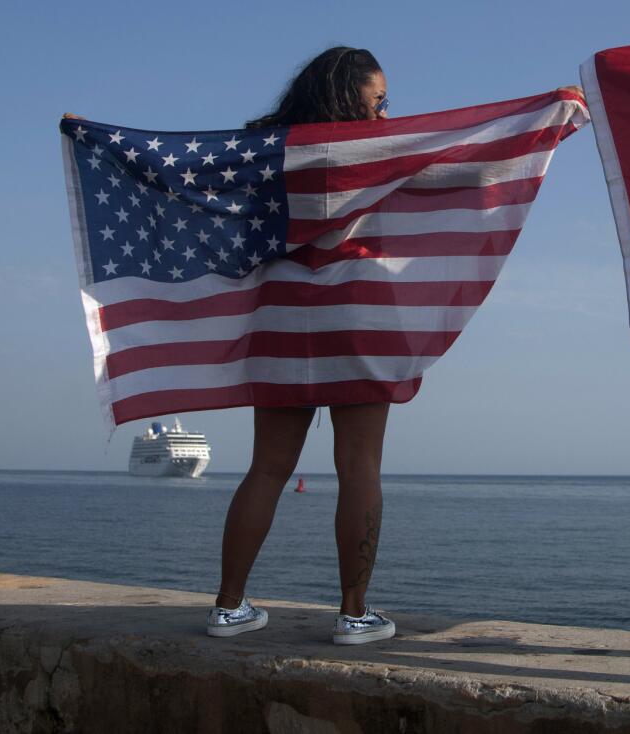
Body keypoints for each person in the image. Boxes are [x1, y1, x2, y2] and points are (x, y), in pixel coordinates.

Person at [207, 47, 396, 644]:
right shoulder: (377, 151)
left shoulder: (271, 152)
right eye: (378, 102)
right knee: (359, 466)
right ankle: (353, 614)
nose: (386, 115)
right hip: (357, 315)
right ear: (349, 98)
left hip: (284, 319)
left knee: (267, 467)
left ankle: (228, 607)